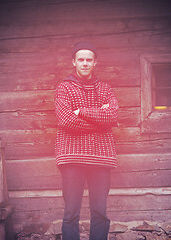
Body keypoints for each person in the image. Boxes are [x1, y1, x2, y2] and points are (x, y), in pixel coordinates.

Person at [55, 41, 119, 240]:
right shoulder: (64, 88)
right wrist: (100, 120)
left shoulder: (106, 89)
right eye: (80, 59)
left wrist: (81, 111)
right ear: (73, 62)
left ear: (95, 62)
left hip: (101, 158)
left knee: (100, 212)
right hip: (71, 158)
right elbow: (66, 121)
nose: (84, 63)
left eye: (88, 60)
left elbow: (112, 116)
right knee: (71, 213)